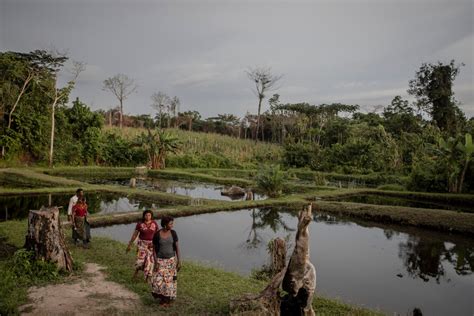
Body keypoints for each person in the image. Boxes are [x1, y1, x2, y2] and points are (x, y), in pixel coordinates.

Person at [151, 216, 181, 307]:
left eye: (172, 223)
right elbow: (154, 250)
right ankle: (162, 298)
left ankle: (166, 301)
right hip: (160, 261)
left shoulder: (173, 233)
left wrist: (179, 261)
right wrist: (156, 262)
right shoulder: (157, 234)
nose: (172, 225)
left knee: (168, 283)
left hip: (171, 261)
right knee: (158, 281)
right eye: (170, 223)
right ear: (165, 224)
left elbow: (177, 248)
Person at [126, 210, 159, 281]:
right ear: (144, 216)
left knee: (150, 261)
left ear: (151, 216)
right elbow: (135, 235)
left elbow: (157, 234)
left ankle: (147, 278)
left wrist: (157, 244)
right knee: (140, 260)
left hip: (151, 245)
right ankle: (136, 273)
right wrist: (130, 244)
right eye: (146, 215)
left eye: (149, 215)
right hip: (142, 245)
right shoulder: (140, 224)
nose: (148, 217)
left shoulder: (154, 223)